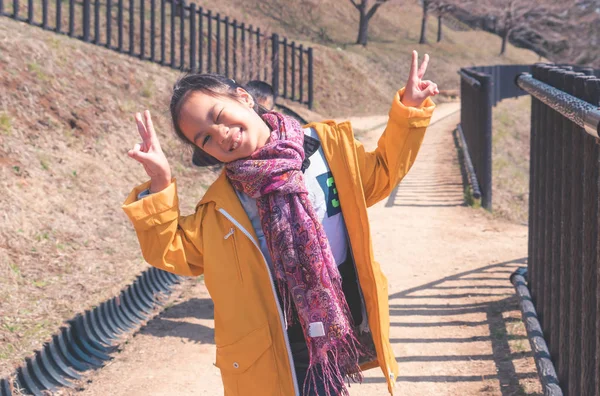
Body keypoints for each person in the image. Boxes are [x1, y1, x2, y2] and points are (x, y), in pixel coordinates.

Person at [123, 50, 438, 396]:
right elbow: (174, 251)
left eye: (218, 115)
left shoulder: (324, 147)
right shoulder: (221, 205)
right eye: (206, 138)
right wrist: (160, 184)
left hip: (336, 317)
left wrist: (408, 110)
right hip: (280, 341)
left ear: (243, 97)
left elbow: (380, 175)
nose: (222, 134)